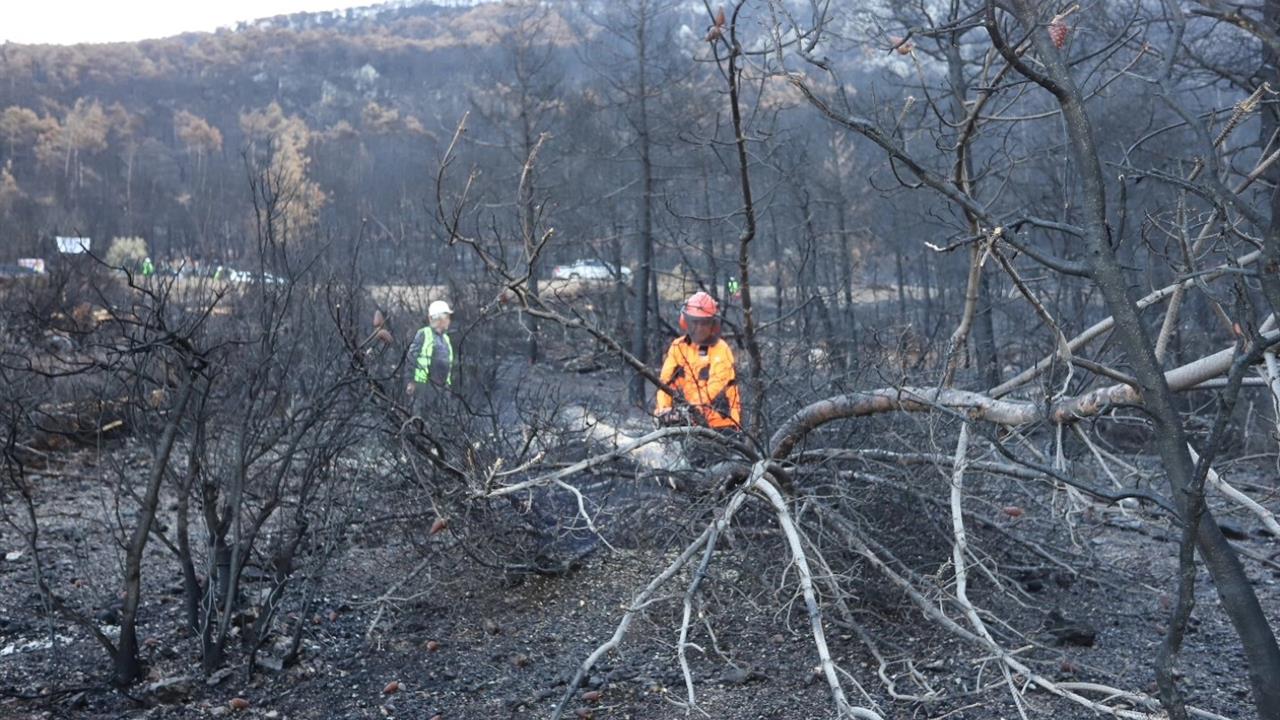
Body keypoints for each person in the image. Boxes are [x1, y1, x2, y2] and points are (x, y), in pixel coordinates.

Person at [654, 291, 741, 430]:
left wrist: (689, 410)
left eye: (704, 323)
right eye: (695, 322)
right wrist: (664, 410)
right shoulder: (679, 347)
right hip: (691, 424)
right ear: (686, 321)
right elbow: (666, 383)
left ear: (712, 324)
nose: (699, 328)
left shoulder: (720, 350)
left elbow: (715, 387)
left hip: (722, 425)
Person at [406, 300, 455, 415]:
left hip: (442, 388)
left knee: (441, 420)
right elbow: (411, 358)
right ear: (440, 318)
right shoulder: (424, 334)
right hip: (423, 387)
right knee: (421, 419)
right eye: (447, 317)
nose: (449, 321)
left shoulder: (445, 338)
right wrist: (410, 381)